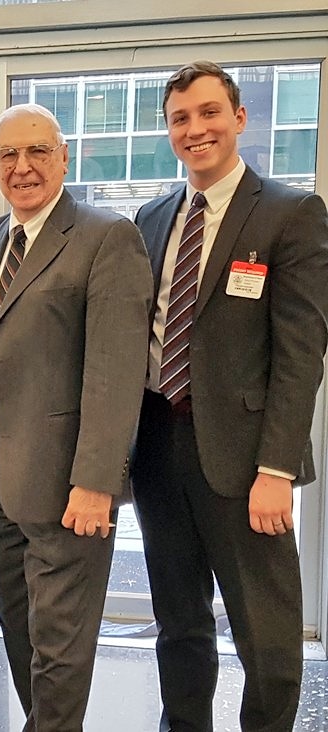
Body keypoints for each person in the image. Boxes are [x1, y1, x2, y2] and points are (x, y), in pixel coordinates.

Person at [131, 60, 328, 732]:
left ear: (239, 118)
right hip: (158, 446)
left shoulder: (289, 213)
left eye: (209, 113)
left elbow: (301, 356)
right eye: (180, 119)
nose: (196, 129)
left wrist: (277, 469)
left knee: (266, 636)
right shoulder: (152, 217)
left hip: (246, 461)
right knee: (178, 624)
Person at [0, 103, 152, 730]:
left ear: (64, 157)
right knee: (20, 629)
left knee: (60, 646)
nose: (23, 167)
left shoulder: (106, 237)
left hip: (69, 481)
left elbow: (116, 370)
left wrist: (97, 482)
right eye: (8, 155)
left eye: (38, 151)